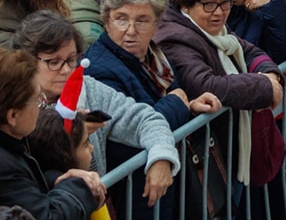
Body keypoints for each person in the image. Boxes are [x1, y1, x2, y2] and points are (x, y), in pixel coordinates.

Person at [83, 0, 221, 220]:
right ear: (106, 19)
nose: (131, 30)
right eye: (121, 18)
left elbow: (164, 104)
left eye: (142, 20)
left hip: (169, 180)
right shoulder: (99, 69)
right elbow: (128, 132)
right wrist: (177, 104)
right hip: (136, 192)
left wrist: (188, 105)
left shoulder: (154, 55)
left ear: (157, 23)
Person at [10, 11, 180, 204]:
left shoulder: (89, 88)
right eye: (54, 62)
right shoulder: (15, 102)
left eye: (71, 59)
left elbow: (146, 119)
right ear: (28, 61)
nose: (66, 70)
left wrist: (161, 156)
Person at [154, 0, 284, 188]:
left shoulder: (212, 28)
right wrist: (263, 87)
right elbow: (206, 84)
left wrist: (270, 75)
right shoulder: (176, 36)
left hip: (230, 144)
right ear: (186, 4)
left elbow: (248, 50)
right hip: (209, 152)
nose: (219, 13)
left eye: (225, 3)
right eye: (209, 5)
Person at [0, 47, 104, 218]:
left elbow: (27, 190)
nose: (41, 106)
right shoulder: (5, 169)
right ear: (13, 115)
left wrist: (56, 180)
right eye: (36, 100)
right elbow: (49, 216)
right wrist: (79, 186)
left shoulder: (13, 141)